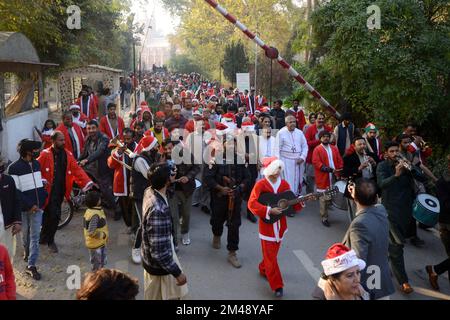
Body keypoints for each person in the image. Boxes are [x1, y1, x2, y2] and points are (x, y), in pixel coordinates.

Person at [376, 141, 427, 294]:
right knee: (397, 245)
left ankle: (382, 263)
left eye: (396, 151)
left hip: (407, 211)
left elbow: (421, 178)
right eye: (391, 151)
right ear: (386, 153)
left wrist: (410, 167)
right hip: (390, 210)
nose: (395, 154)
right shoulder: (382, 166)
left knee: (391, 243)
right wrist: (396, 176)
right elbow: (381, 184)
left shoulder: (405, 165)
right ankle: (403, 281)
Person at [248, 157, 301, 298]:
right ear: (268, 169)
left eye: (279, 168)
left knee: (271, 255)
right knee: (271, 257)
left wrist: (303, 200)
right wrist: (268, 210)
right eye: (275, 168)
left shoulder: (284, 184)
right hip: (266, 228)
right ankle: (277, 285)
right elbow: (251, 204)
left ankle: (263, 268)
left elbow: (293, 204)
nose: (278, 172)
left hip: (281, 226)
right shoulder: (260, 185)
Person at [38, 131, 93, 254]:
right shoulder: (45, 154)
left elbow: (76, 169)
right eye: (60, 140)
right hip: (47, 192)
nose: (63, 142)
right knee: (48, 216)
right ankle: (45, 238)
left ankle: (49, 239)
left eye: (63, 140)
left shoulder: (67, 154)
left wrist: (87, 182)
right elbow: (37, 168)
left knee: (55, 216)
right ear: (53, 141)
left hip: (61, 191)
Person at [142, 163, 188, 300]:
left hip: (151, 257)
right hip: (159, 266)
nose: (174, 174)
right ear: (166, 181)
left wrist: (172, 179)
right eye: (171, 174)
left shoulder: (149, 190)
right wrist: (178, 273)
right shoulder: (158, 210)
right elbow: (159, 252)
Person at [343, 178, 395, 299]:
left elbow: (358, 262)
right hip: (382, 281)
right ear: (377, 197)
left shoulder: (359, 224)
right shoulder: (381, 210)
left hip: (368, 286)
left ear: (354, 198)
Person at [204, 138, 250, 268]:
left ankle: (232, 252)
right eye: (228, 143)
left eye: (233, 144)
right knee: (216, 221)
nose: (230, 146)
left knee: (234, 225)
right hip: (219, 197)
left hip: (235, 198)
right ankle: (217, 235)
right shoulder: (215, 159)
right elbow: (208, 178)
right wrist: (220, 188)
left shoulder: (241, 160)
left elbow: (248, 178)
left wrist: (239, 188)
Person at [7, 140, 47, 280]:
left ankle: (31, 265)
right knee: (25, 235)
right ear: (28, 151)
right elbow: (16, 192)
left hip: (37, 208)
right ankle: (27, 251)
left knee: (35, 236)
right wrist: (30, 205)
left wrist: (41, 199)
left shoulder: (36, 164)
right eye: (35, 150)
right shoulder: (14, 168)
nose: (38, 151)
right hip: (23, 209)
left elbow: (38, 183)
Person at [161, 140, 200, 246]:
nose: (168, 151)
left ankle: (185, 232)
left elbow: (197, 167)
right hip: (171, 190)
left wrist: (187, 177)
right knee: (173, 215)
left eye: (170, 148)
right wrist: (167, 179)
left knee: (186, 214)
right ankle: (174, 237)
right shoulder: (162, 158)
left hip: (187, 189)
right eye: (166, 149)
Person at [79, 120, 118, 220]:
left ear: (97, 128)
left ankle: (117, 209)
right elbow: (84, 152)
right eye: (89, 128)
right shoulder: (88, 139)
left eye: (93, 128)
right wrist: (77, 161)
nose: (91, 130)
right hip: (92, 167)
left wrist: (86, 160)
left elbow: (99, 152)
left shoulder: (104, 138)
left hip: (103, 168)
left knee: (106, 190)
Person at [130, 135, 159, 264]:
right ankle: (136, 249)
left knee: (150, 222)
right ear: (150, 148)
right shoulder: (140, 160)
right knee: (143, 223)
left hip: (148, 194)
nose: (158, 148)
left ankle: (147, 247)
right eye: (156, 146)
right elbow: (150, 176)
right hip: (140, 195)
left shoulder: (149, 157)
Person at [425, 154, 450, 291]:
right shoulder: (443, 182)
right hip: (447, 224)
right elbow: (445, 205)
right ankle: (434, 270)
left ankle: (434, 270)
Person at [107, 129, 137, 232]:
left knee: (134, 206)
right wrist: (119, 152)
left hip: (135, 182)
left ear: (133, 138)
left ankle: (135, 226)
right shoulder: (117, 149)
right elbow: (110, 165)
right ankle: (129, 225)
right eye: (124, 138)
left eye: (128, 139)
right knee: (124, 207)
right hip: (122, 183)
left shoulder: (138, 147)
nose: (126, 141)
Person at [312, 130, 343, 227]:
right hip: (324, 175)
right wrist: (327, 169)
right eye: (323, 136)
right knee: (323, 197)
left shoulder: (334, 148)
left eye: (327, 136)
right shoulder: (317, 149)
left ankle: (327, 206)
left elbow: (339, 159)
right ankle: (324, 217)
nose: (326, 138)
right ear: (320, 138)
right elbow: (316, 162)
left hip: (334, 175)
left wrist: (340, 169)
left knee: (331, 192)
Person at [342, 137, 378, 221]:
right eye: (359, 144)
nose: (363, 146)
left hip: (370, 188)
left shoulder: (372, 155)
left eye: (364, 144)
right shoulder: (348, 158)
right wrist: (359, 168)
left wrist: (374, 163)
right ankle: (356, 229)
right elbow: (345, 173)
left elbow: (379, 170)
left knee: (371, 211)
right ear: (354, 147)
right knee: (356, 214)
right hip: (355, 188)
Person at [274, 115, 308, 202]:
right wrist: (279, 163)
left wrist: (302, 157)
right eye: (290, 122)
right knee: (288, 184)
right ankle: (288, 203)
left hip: (299, 162)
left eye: (294, 122)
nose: (293, 124)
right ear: (286, 123)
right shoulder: (281, 133)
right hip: (286, 161)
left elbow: (305, 146)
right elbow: (277, 149)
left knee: (297, 182)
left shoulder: (300, 133)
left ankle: (295, 201)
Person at [305, 112, 333, 194]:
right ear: (315, 119)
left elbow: (332, 141)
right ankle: (309, 195)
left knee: (323, 177)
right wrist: (320, 141)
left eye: (322, 119)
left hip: (325, 158)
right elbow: (307, 143)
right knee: (310, 177)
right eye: (319, 119)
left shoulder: (327, 129)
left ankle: (323, 194)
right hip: (311, 158)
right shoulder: (310, 129)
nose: (321, 120)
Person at [0, 157, 21, 262]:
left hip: (7, 226)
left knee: (7, 253)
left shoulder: (8, 180)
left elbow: (16, 201)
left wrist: (17, 221)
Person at [83, 191, 108, 271]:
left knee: (98, 261)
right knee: (98, 263)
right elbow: (91, 232)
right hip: (96, 244)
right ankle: (97, 278)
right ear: (97, 202)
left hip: (96, 243)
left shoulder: (90, 211)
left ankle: (98, 275)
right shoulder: (95, 215)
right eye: (99, 199)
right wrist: (102, 235)